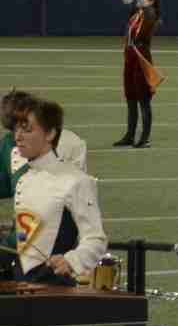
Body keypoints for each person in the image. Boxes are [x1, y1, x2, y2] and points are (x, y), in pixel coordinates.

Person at [9, 98, 108, 283]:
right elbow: (27, 241)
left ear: (50, 134)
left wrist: (71, 261)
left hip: (54, 286)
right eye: (16, 129)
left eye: (27, 130)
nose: (18, 137)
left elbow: (96, 239)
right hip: (21, 284)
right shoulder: (24, 179)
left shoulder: (75, 180)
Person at [113, 0, 161, 148]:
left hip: (141, 58)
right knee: (131, 97)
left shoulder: (150, 15)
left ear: (151, 2)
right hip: (130, 56)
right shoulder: (137, 13)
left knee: (143, 100)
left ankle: (145, 138)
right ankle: (130, 135)